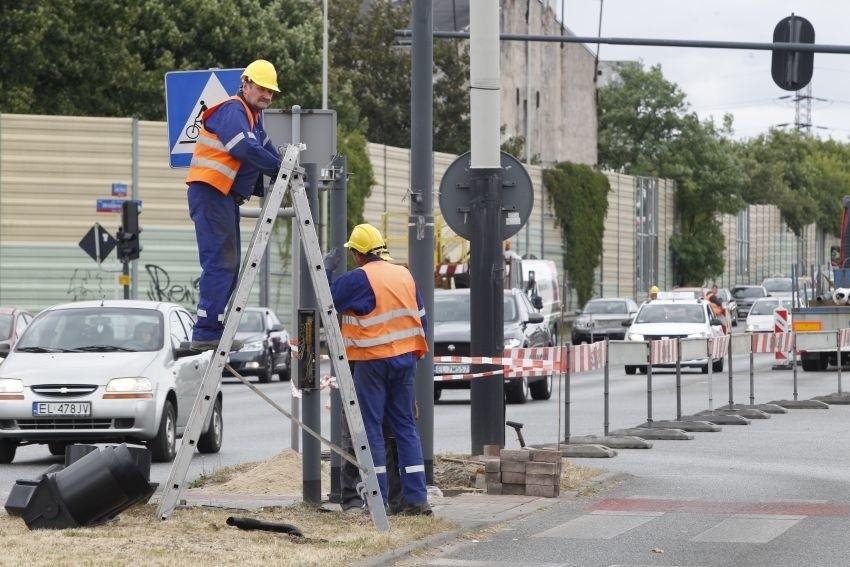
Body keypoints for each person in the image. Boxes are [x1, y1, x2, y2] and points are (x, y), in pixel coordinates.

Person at [324, 223, 432, 516]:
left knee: (371, 430)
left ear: (358, 254)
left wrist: (326, 271)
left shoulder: (360, 277)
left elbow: (326, 301)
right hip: (405, 360)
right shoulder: (404, 275)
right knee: (406, 429)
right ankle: (417, 499)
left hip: (372, 362)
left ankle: (378, 499)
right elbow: (421, 319)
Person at [185, 59, 282, 351]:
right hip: (211, 191)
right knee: (220, 262)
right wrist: (282, 170)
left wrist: (285, 167)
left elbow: (264, 149)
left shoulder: (253, 118)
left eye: (271, 92)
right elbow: (243, 148)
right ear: (246, 83)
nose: (266, 95)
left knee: (229, 264)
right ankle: (205, 329)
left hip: (221, 196)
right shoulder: (233, 109)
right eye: (262, 88)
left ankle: (212, 326)